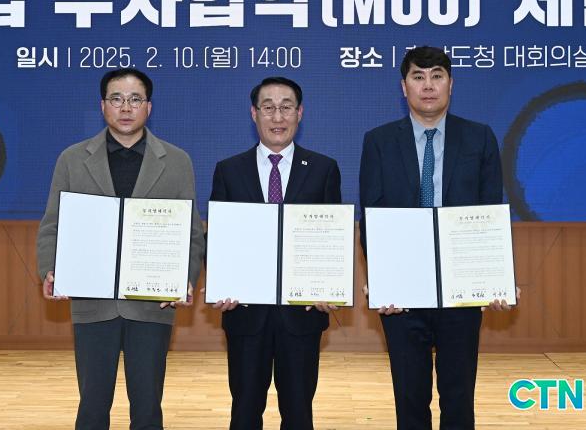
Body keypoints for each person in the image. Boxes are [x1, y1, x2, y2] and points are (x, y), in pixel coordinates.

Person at [36, 68, 205, 430]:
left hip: (152, 302)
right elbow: (53, 224)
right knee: (92, 406)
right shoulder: (72, 159)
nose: (125, 107)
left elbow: (192, 232)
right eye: (117, 99)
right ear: (103, 106)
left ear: (149, 107)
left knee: (147, 408)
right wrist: (50, 269)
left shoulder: (177, 161)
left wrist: (185, 278)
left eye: (135, 99)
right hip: (92, 301)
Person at [359, 46, 514, 430]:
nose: (428, 86)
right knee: (409, 397)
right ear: (404, 87)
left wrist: (491, 280)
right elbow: (372, 218)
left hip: (460, 290)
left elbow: (490, 213)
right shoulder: (379, 141)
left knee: (458, 398)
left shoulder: (479, 138)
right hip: (402, 294)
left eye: (437, 76)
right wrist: (382, 280)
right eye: (418, 77)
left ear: (451, 84)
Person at [210, 77, 341, 430]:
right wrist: (221, 282)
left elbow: (332, 237)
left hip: (302, 314)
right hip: (245, 313)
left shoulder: (324, 169)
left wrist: (329, 285)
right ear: (254, 113)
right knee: (244, 411)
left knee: (298, 413)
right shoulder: (229, 170)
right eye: (268, 107)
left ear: (300, 113)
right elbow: (219, 238)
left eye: (286, 107)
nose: (277, 116)